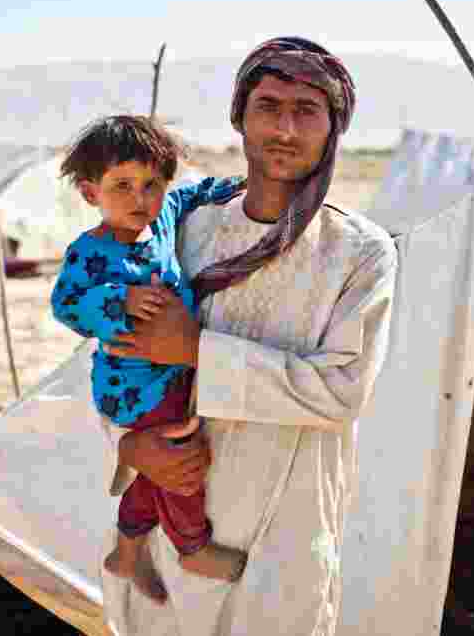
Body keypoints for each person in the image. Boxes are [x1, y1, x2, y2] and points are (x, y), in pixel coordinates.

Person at [96, 38, 398, 635]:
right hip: (169, 515)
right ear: (240, 116)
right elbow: (111, 352)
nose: (285, 127)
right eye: (268, 106)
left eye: (307, 110)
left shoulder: (359, 253)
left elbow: (343, 390)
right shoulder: (182, 227)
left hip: (283, 529)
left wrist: (196, 353)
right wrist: (130, 446)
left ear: (334, 127)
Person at [50, 115, 248, 604]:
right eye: (122, 186)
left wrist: (235, 187)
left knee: (154, 472)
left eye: (150, 185)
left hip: (174, 373)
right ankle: (191, 545)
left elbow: (188, 195)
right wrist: (120, 300)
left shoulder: (160, 216)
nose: (139, 199)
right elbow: (66, 305)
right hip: (135, 385)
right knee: (181, 466)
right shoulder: (90, 253)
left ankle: (127, 550)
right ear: (90, 193)